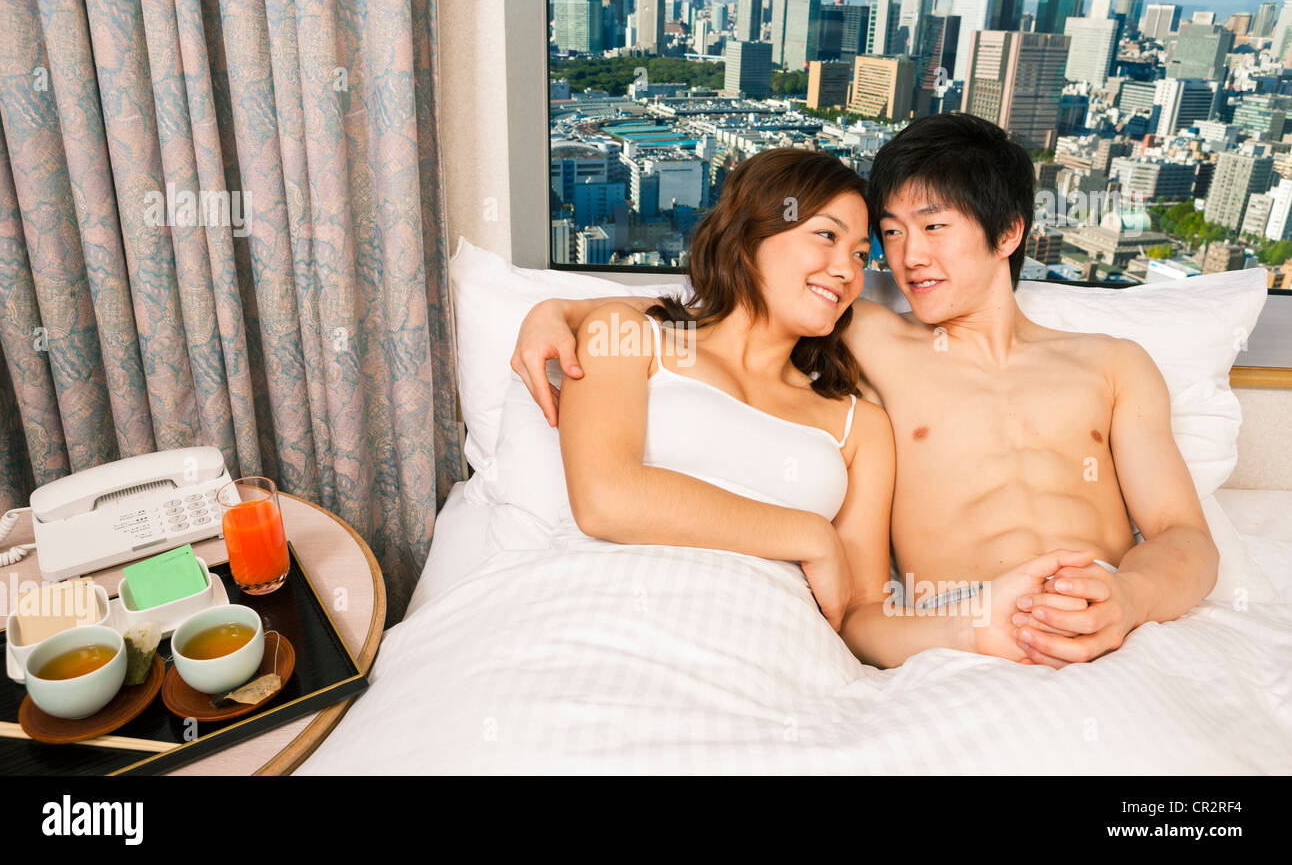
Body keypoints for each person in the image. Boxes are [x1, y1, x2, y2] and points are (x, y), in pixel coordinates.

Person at [514, 114, 1218, 669]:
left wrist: (1128, 596)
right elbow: (740, 311)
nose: (907, 257)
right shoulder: (869, 334)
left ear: (1008, 233)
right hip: (962, 624)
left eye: (934, 228)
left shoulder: (1114, 365)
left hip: (1115, 622)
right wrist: (565, 311)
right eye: (889, 236)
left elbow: (1183, 536)